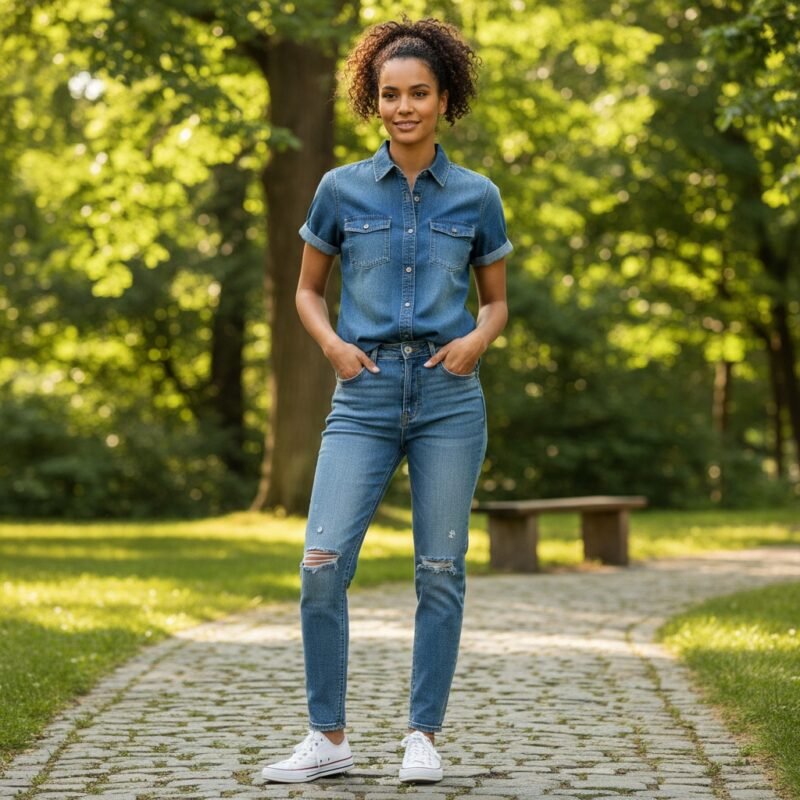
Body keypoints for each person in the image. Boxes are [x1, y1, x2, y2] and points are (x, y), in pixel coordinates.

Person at [261, 16, 511, 786]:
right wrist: (334, 345)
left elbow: (496, 302)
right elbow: (307, 289)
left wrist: (477, 339)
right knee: (321, 562)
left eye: (419, 94)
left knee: (439, 568)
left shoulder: (477, 196)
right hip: (363, 397)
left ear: (445, 100)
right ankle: (328, 738)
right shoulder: (340, 188)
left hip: (447, 397)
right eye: (390, 94)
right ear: (374, 101)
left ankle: (422, 737)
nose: (404, 107)